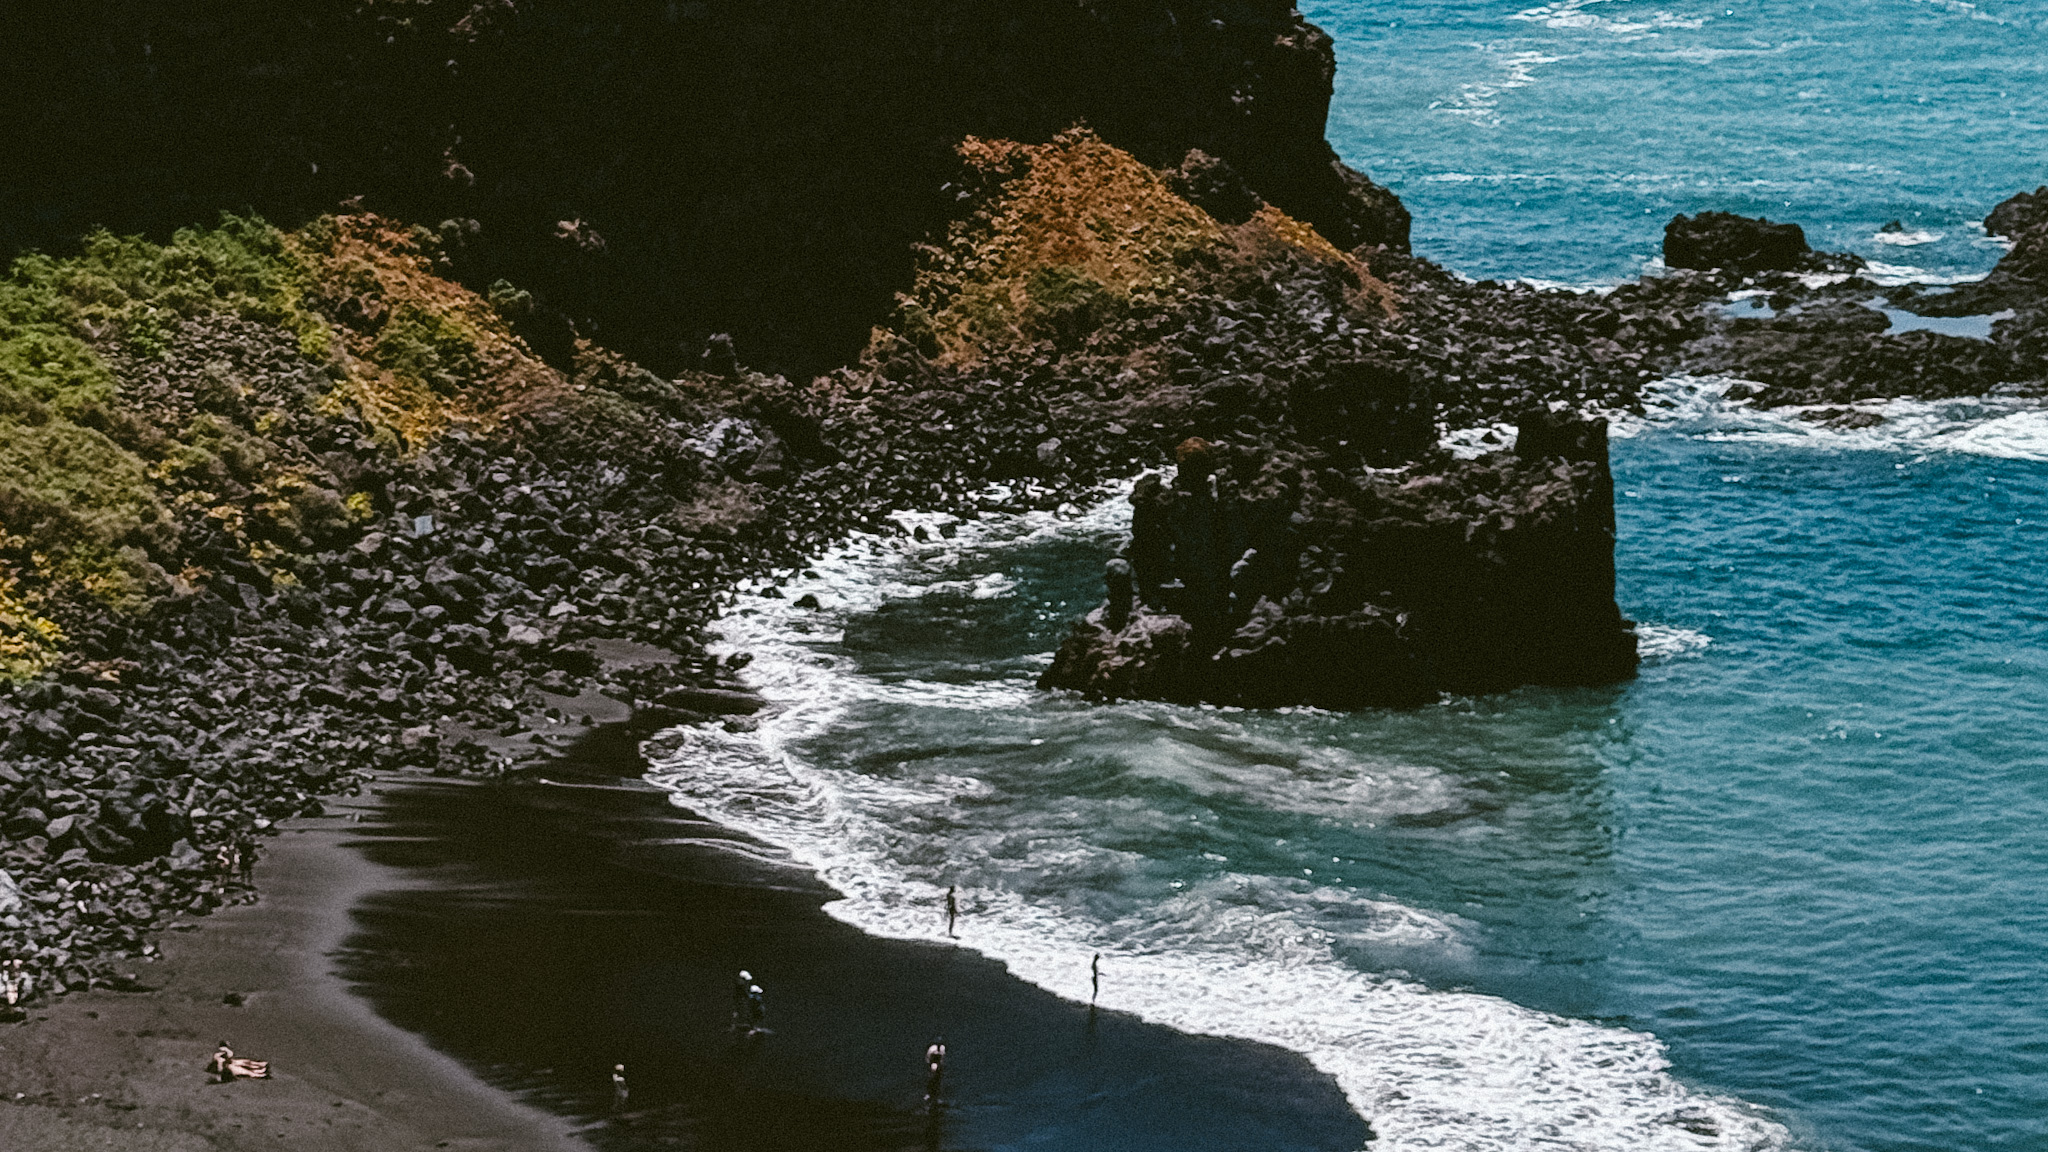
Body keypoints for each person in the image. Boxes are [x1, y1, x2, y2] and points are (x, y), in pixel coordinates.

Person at [923, 1038, 946, 1107]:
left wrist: (941, 1065)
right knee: (931, 1079)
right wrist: (930, 1064)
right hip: (933, 1063)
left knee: (938, 1080)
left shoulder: (942, 1048)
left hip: (939, 1065)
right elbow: (928, 1057)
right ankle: (929, 1094)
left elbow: (943, 1057)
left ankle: (936, 1096)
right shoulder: (932, 1048)